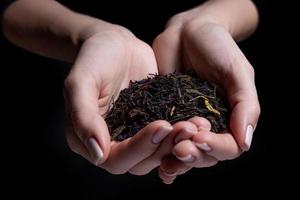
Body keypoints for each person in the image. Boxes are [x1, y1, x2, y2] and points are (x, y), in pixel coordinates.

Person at [0, 0, 260, 184]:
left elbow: (248, 5)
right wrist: (89, 34)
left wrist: (206, 21)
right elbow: (11, 9)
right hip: (68, 112)